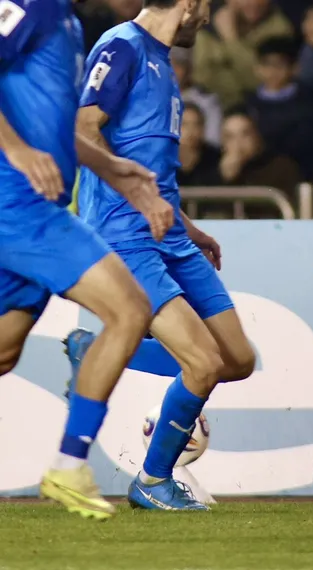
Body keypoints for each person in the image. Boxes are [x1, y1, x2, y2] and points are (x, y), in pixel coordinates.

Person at [70, 0, 256, 511]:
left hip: (168, 234)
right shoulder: (121, 46)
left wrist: (188, 227)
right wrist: (135, 192)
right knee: (202, 363)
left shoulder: (163, 62)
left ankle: (99, 350)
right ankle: (152, 481)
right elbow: (82, 129)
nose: (208, 17)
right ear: (188, 3)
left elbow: (152, 167)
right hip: (124, 236)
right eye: (207, 6)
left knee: (237, 360)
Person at [0, 0, 174, 519]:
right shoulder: (32, 5)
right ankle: (69, 466)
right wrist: (16, 150)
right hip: (18, 206)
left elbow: (51, 122)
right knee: (130, 310)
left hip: (37, 204)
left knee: (4, 352)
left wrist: (109, 166)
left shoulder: (67, 20)